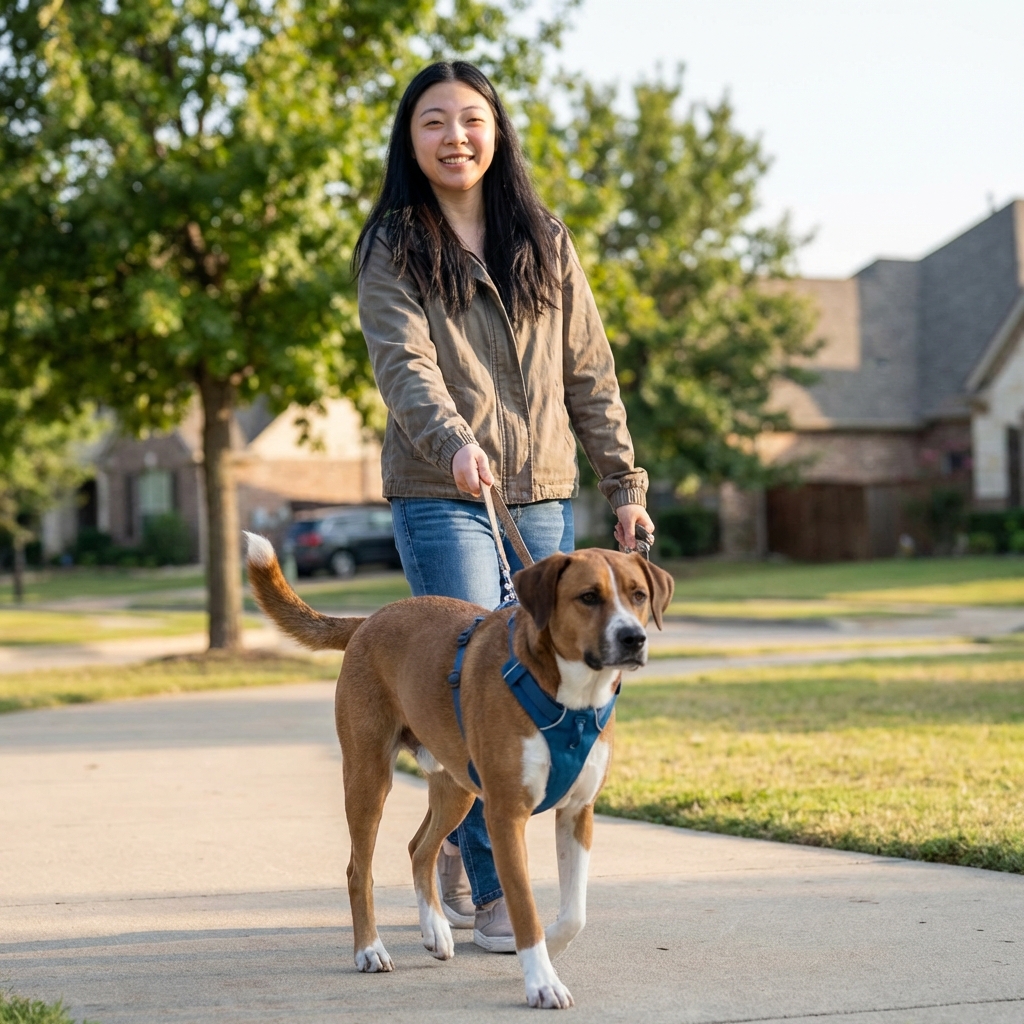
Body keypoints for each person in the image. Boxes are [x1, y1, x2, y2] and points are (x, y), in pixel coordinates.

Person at [354, 60, 654, 953]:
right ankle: (495, 895)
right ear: (411, 140)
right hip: (443, 488)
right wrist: (453, 442)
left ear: (497, 130)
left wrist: (625, 487)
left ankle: (464, 845)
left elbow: (589, 374)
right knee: (484, 682)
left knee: (547, 698)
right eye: (434, 122)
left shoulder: (544, 239)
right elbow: (402, 364)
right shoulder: (393, 245)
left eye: (471, 119)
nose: (456, 137)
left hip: (546, 492)